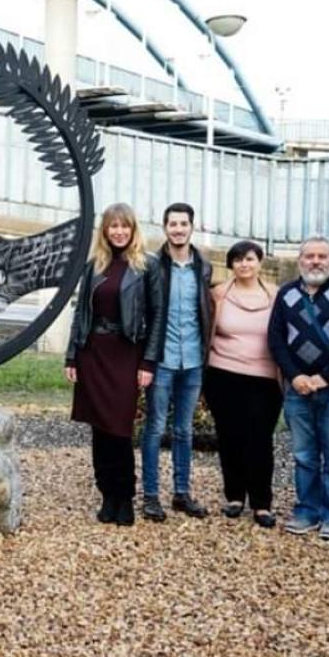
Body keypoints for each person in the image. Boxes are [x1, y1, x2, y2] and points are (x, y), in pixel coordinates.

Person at [65, 203, 164, 526]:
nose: (119, 232)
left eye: (124, 226)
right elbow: (81, 313)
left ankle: (125, 496)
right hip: (93, 352)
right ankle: (107, 495)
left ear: (133, 230)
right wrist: (71, 355)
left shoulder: (147, 265)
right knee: (99, 428)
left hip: (127, 352)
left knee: (119, 428)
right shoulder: (94, 265)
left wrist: (148, 362)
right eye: (113, 226)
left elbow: (158, 316)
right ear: (105, 231)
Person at [267, 236, 329, 542]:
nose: (315, 262)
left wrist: (325, 377)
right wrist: (294, 376)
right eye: (309, 256)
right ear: (300, 260)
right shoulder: (287, 293)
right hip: (298, 389)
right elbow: (276, 339)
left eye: (322, 256)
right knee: (304, 455)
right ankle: (307, 510)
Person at [140, 202, 213, 522]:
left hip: (194, 360)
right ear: (164, 227)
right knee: (155, 428)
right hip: (162, 359)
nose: (178, 229)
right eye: (173, 224)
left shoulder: (203, 267)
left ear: (192, 227)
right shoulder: (153, 265)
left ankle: (182, 492)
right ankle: (151, 496)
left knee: (184, 430)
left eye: (184, 224)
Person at [202, 240, 282, 528]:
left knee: (260, 439)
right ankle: (234, 496)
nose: (244, 265)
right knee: (230, 436)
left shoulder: (276, 296)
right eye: (237, 260)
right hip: (223, 373)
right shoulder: (218, 294)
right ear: (231, 265)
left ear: (259, 262)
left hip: (265, 377)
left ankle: (262, 503)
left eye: (249, 259)